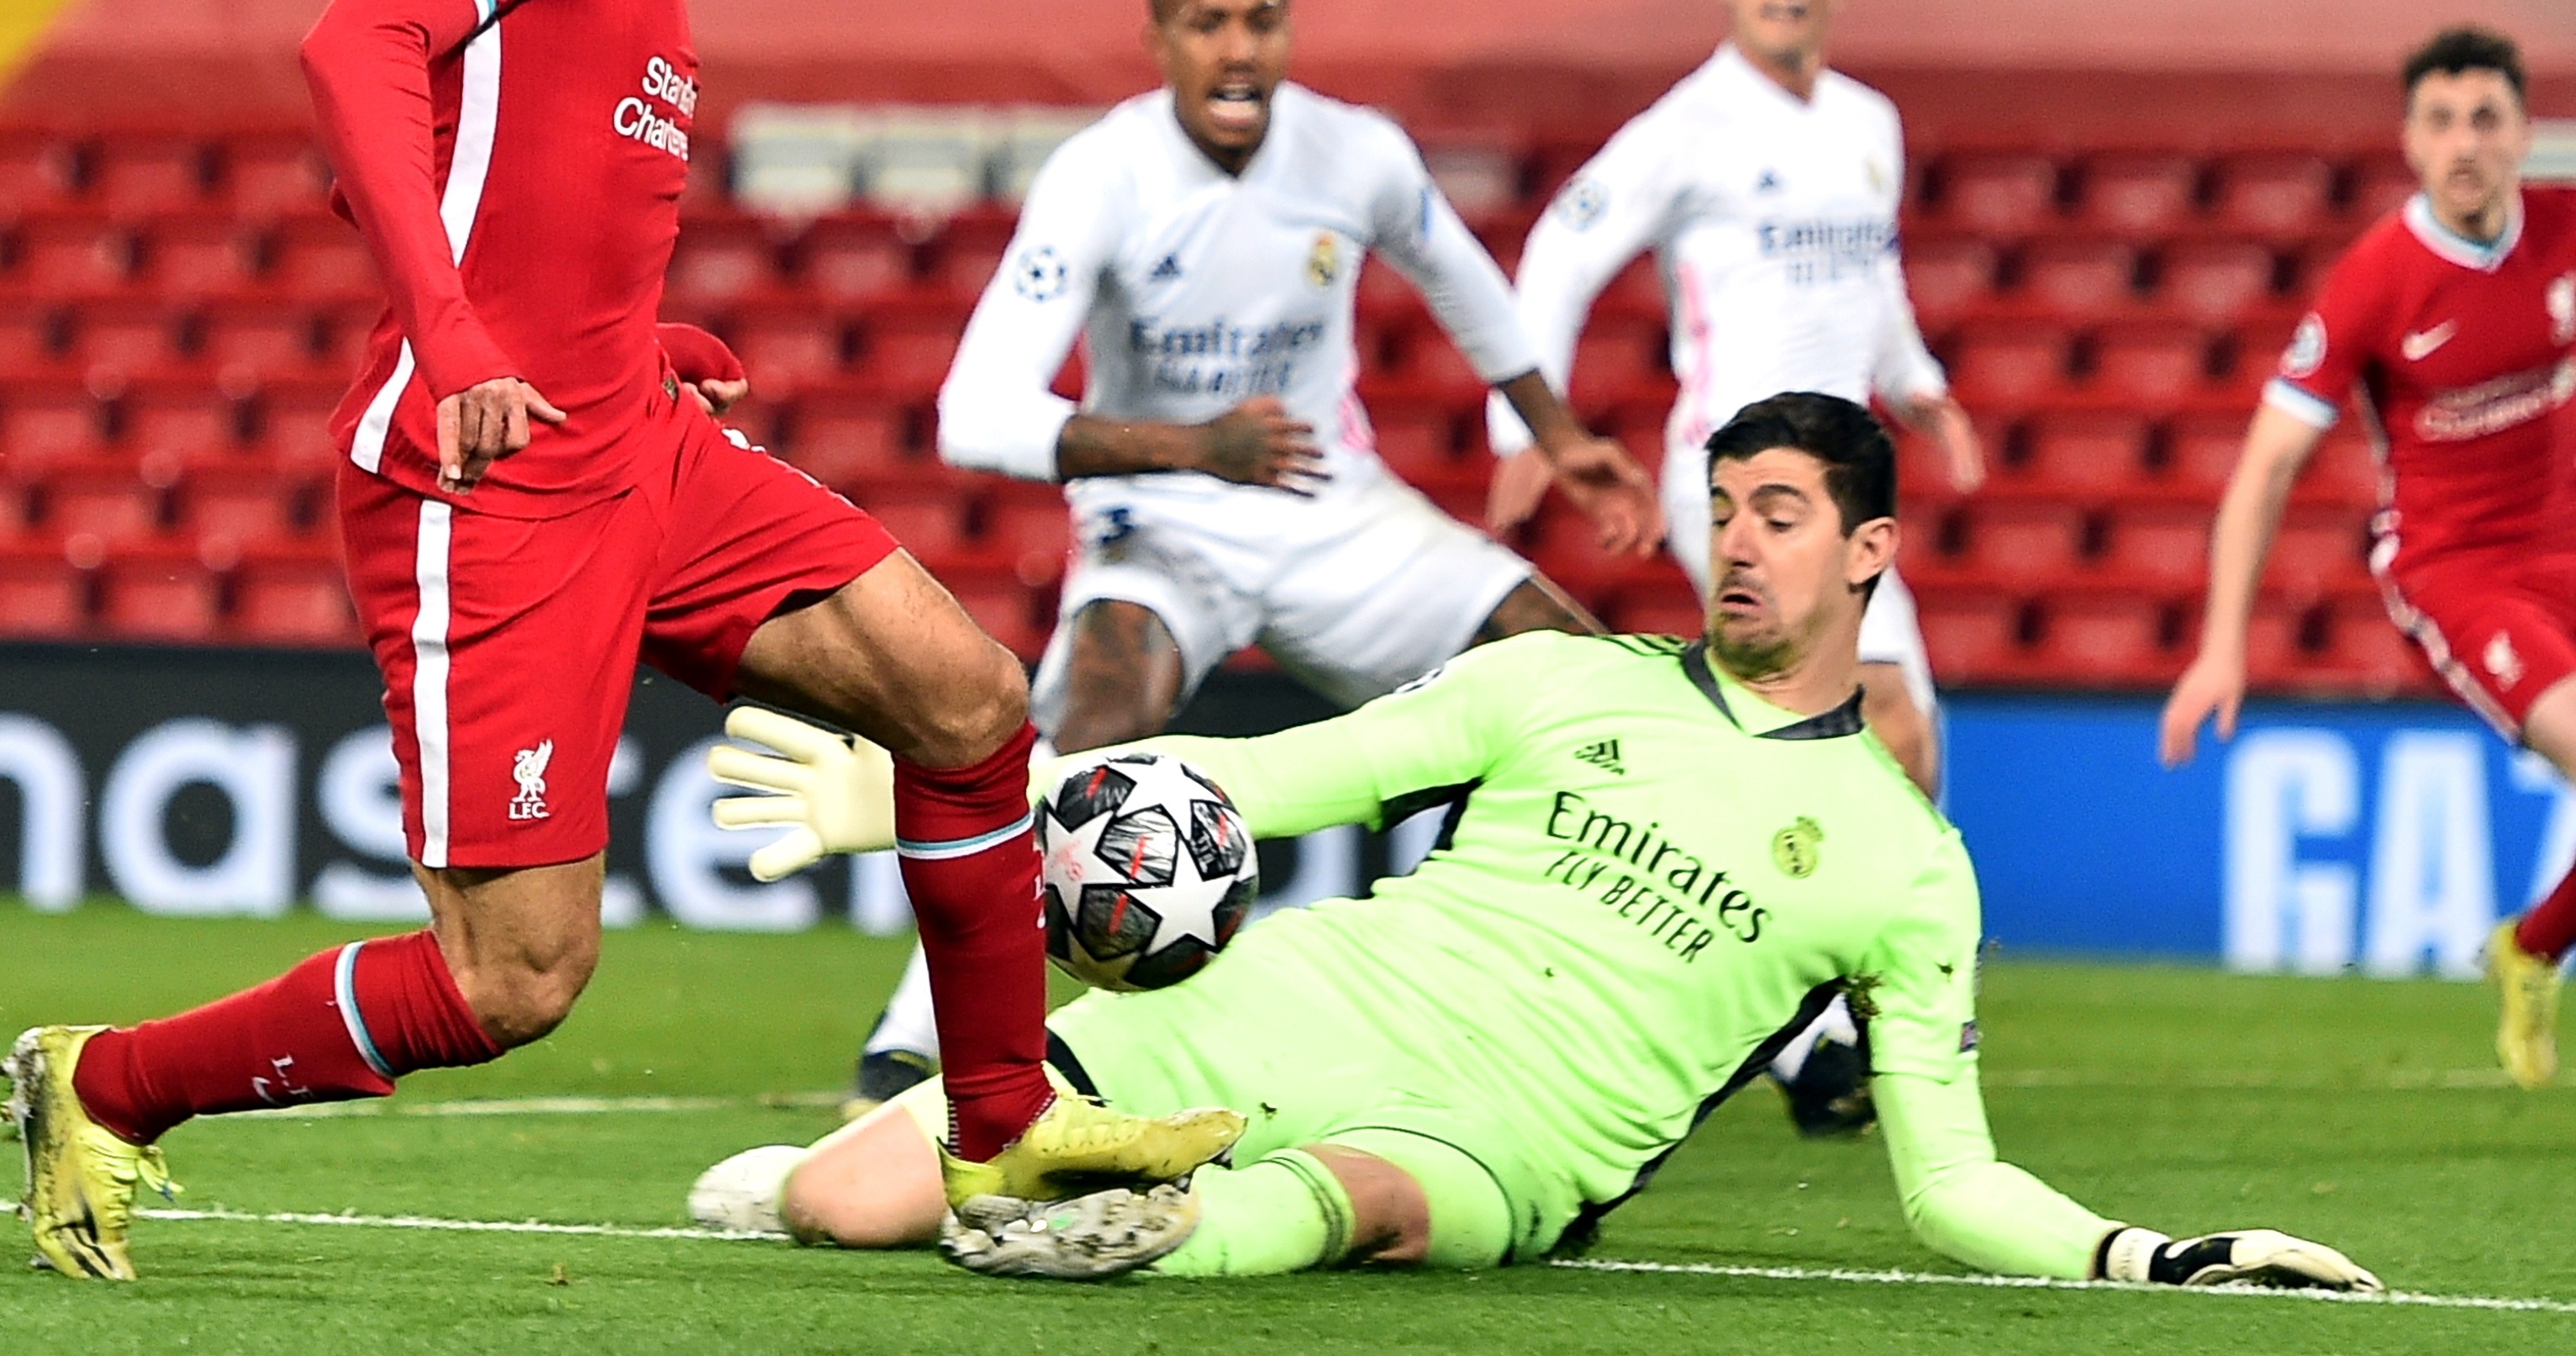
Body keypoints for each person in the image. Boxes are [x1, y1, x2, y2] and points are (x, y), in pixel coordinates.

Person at [0, 0, 1233, 1284]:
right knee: (514, 980)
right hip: (489, 486)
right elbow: (356, 46)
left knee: (964, 699)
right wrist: (455, 341)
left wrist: (617, 333)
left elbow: (418, 161)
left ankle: (998, 1126)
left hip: (634, 444)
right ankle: (104, 1081)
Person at [690, 394, 2379, 1293]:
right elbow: (1268, 774)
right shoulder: (1562, 676)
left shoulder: (1909, 859)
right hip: (1300, 998)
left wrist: (2152, 1252)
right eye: (1720, 507)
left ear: (1869, 547)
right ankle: (1069, 1177)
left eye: (1778, 515)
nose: (1735, 543)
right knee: (845, 1204)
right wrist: (932, 797)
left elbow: (1950, 1184)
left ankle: (1161, 1219)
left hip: (1507, 1124)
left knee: (1343, 1207)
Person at [836, 0, 1664, 1115]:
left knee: (1585, 680)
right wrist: (1195, 448)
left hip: (1332, 508)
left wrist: (1555, 430)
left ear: (1287, 28)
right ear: (1159, 38)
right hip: (1160, 523)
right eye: (1207, 21)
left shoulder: (1354, 153)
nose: (1238, 47)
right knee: (1088, 725)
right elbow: (973, 411)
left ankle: (1632, 1017)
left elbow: (1460, 274)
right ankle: (911, 1043)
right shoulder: (1103, 174)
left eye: (1260, 19)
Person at [1485, 0, 1982, 801]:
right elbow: (1560, 253)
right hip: (1736, 470)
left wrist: (1920, 386)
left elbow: (1872, 277)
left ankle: (1853, 947)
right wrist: (1528, 430)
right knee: (1876, 713)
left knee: (1900, 746)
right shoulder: (1687, 130)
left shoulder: (1868, 123)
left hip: (1843, 482)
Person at [2163, 25, 2576, 1090]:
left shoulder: (2565, 224)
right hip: (2459, 566)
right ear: (2409, 140)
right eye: (2442, 122)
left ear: (2524, 132)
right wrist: (2221, 650)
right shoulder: (2376, 282)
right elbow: (2263, 473)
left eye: (2486, 119)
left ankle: (2530, 949)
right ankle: (2533, 951)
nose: (2465, 144)